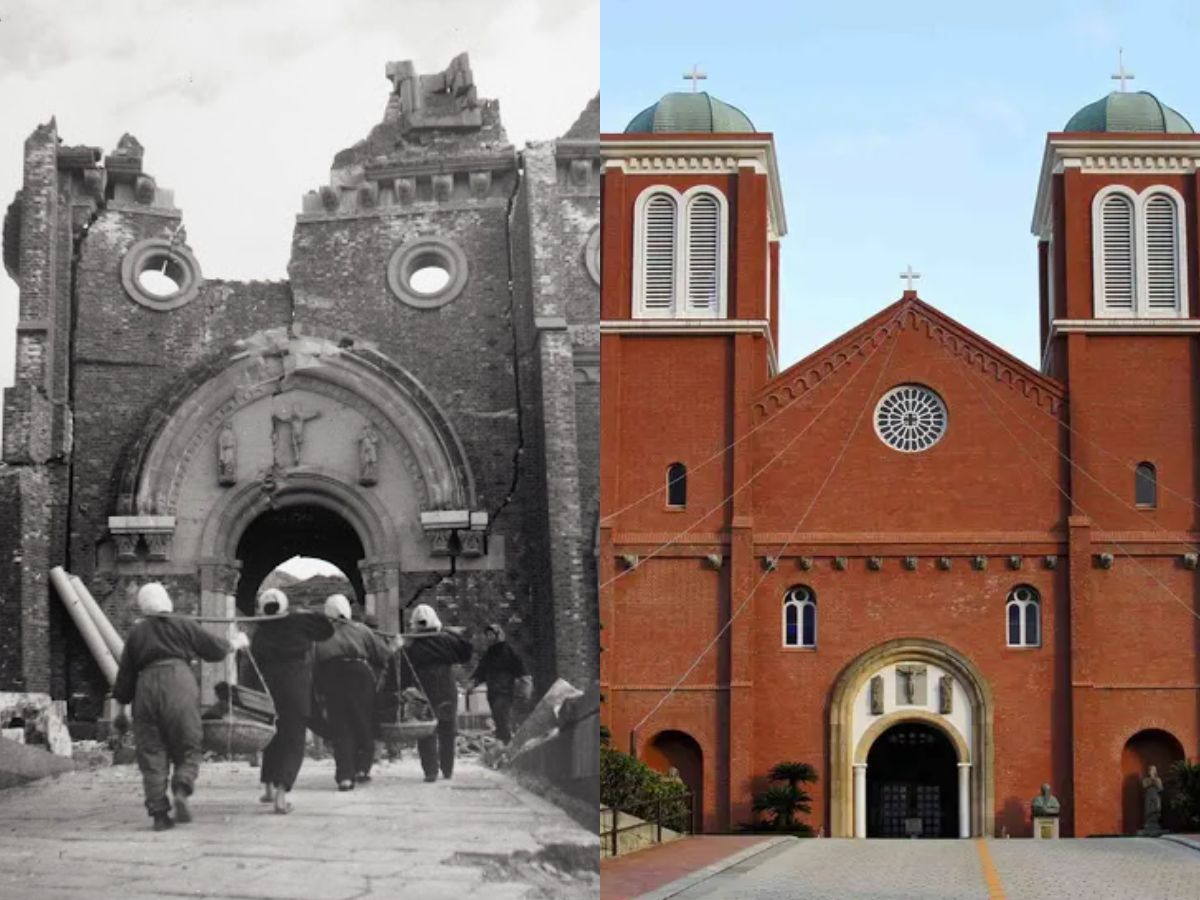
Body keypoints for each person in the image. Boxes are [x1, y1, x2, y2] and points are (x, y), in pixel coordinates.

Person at [112, 582, 249, 831]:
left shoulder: (137, 633)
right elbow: (215, 649)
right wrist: (236, 643)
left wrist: (121, 712)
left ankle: (159, 814)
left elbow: (124, 678)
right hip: (179, 683)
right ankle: (181, 787)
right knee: (189, 743)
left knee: (152, 752)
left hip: (146, 687)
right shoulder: (184, 623)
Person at [249, 588, 334, 813]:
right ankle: (281, 794)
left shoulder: (260, 632)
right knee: (293, 742)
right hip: (295, 690)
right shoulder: (298, 623)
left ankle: (268, 788)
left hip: (268, 691)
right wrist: (304, 613)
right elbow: (326, 630)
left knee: (271, 738)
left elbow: (251, 666)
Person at [313, 593, 391, 791]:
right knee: (363, 721)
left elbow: (314, 662)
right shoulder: (361, 630)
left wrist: (318, 688)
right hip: (359, 678)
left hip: (332, 677)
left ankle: (345, 777)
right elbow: (382, 654)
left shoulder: (320, 634)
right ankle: (362, 768)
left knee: (341, 726)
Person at [399, 603, 471, 782]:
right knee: (447, 729)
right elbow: (466, 652)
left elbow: (404, 670)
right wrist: (451, 632)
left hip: (423, 689)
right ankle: (447, 769)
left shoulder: (411, 644)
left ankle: (430, 771)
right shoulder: (446, 640)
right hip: (446, 686)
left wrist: (404, 689)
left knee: (426, 730)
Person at [469, 623, 532, 744]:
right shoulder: (489, 654)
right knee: (498, 719)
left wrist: (525, 689)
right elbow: (481, 670)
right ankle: (503, 744)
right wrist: (474, 682)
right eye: (487, 635)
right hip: (493, 692)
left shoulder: (508, 651)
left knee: (503, 719)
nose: (489, 637)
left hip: (505, 692)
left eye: (491, 634)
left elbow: (521, 669)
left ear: (498, 635)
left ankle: (507, 744)